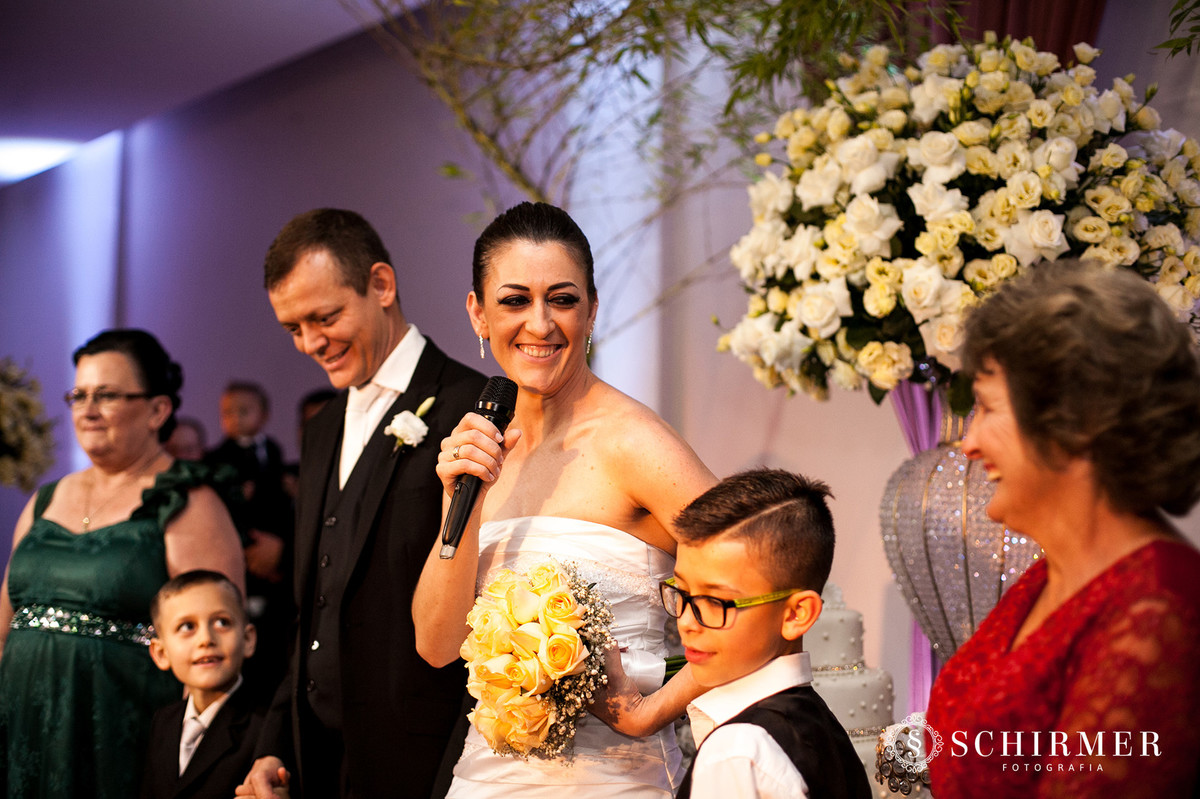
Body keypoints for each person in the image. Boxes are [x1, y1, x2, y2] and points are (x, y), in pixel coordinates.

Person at [413, 201, 717, 797]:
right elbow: (436, 644)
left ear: (593, 309)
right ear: (477, 313)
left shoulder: (635, 442)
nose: (540, 323)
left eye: (562, 298)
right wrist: (464, 501)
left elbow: (756, 591)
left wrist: (657, 708)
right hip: (483, 779)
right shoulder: (480, 450)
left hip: (613, 783)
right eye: (514, 300)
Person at [925, 261, 1200, 795]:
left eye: (986, 407)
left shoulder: (1157, 611)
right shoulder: (1046, 579)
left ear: (1077, 421)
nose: (968, 441)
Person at [241, 208, 488, 799]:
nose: (310, 343)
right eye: (293, 328)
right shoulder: (321, 427)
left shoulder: (470, 407)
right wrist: (275, 740)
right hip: (315, 762)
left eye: (324, 318)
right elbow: (310, 609)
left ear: (381, 284)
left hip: (420, 760)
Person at [0, 328, 246, 799]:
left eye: (107, 395)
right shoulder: (46, 499)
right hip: (21, 730)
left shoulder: (189, 503)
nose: (87, 410)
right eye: (79, 395)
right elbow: (3, 628)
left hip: (119, 741)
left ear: (158, 410)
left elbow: (219, 654)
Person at [667, 468, 871, 799]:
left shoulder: (736, 752)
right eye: (681, 592)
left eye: (715, 601)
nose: (687, 622)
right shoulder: (822, 729)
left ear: (795, 614)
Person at [142, 570, 274, 799]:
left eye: (222, 622)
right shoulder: (163, 721)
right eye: (187, 627)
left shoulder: (267, 726)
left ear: (248, 639)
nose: (206, 639)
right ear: (161, 653)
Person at [207, 380, 293, 698]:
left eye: (244, 411)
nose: (235, 418)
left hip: (275, 550)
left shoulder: (273, 451)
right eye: (227, 412)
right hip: (243, 552)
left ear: (264, 414)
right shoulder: (217, 459)